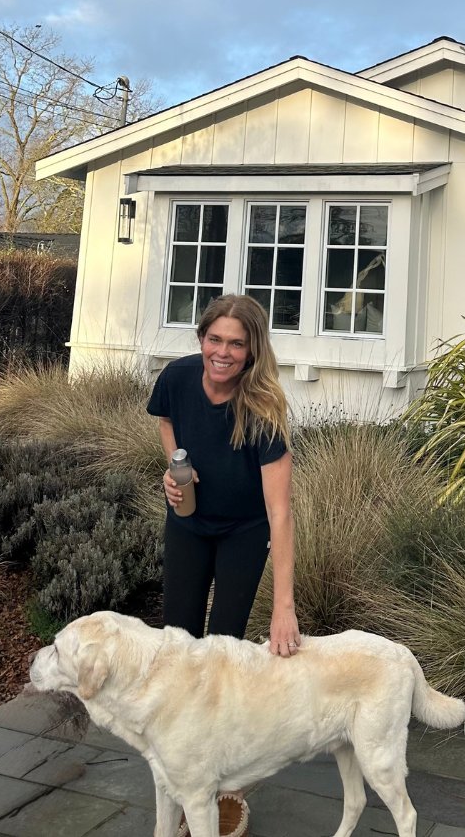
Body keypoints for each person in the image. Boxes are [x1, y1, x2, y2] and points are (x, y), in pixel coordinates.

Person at [147, 292, 300, 837]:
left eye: (236, 343)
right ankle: (182, 768)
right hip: (188, 524)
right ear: (201, 339)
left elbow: (280, 513)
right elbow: (167, 422)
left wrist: (283, 608)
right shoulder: (177, 378)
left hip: (244, 533)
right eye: (215, 339)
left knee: (222, 653)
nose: (223, 352)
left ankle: (223, 784)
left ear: (252, 350)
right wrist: (175, 467)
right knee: (178, 647)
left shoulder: (263, 410)